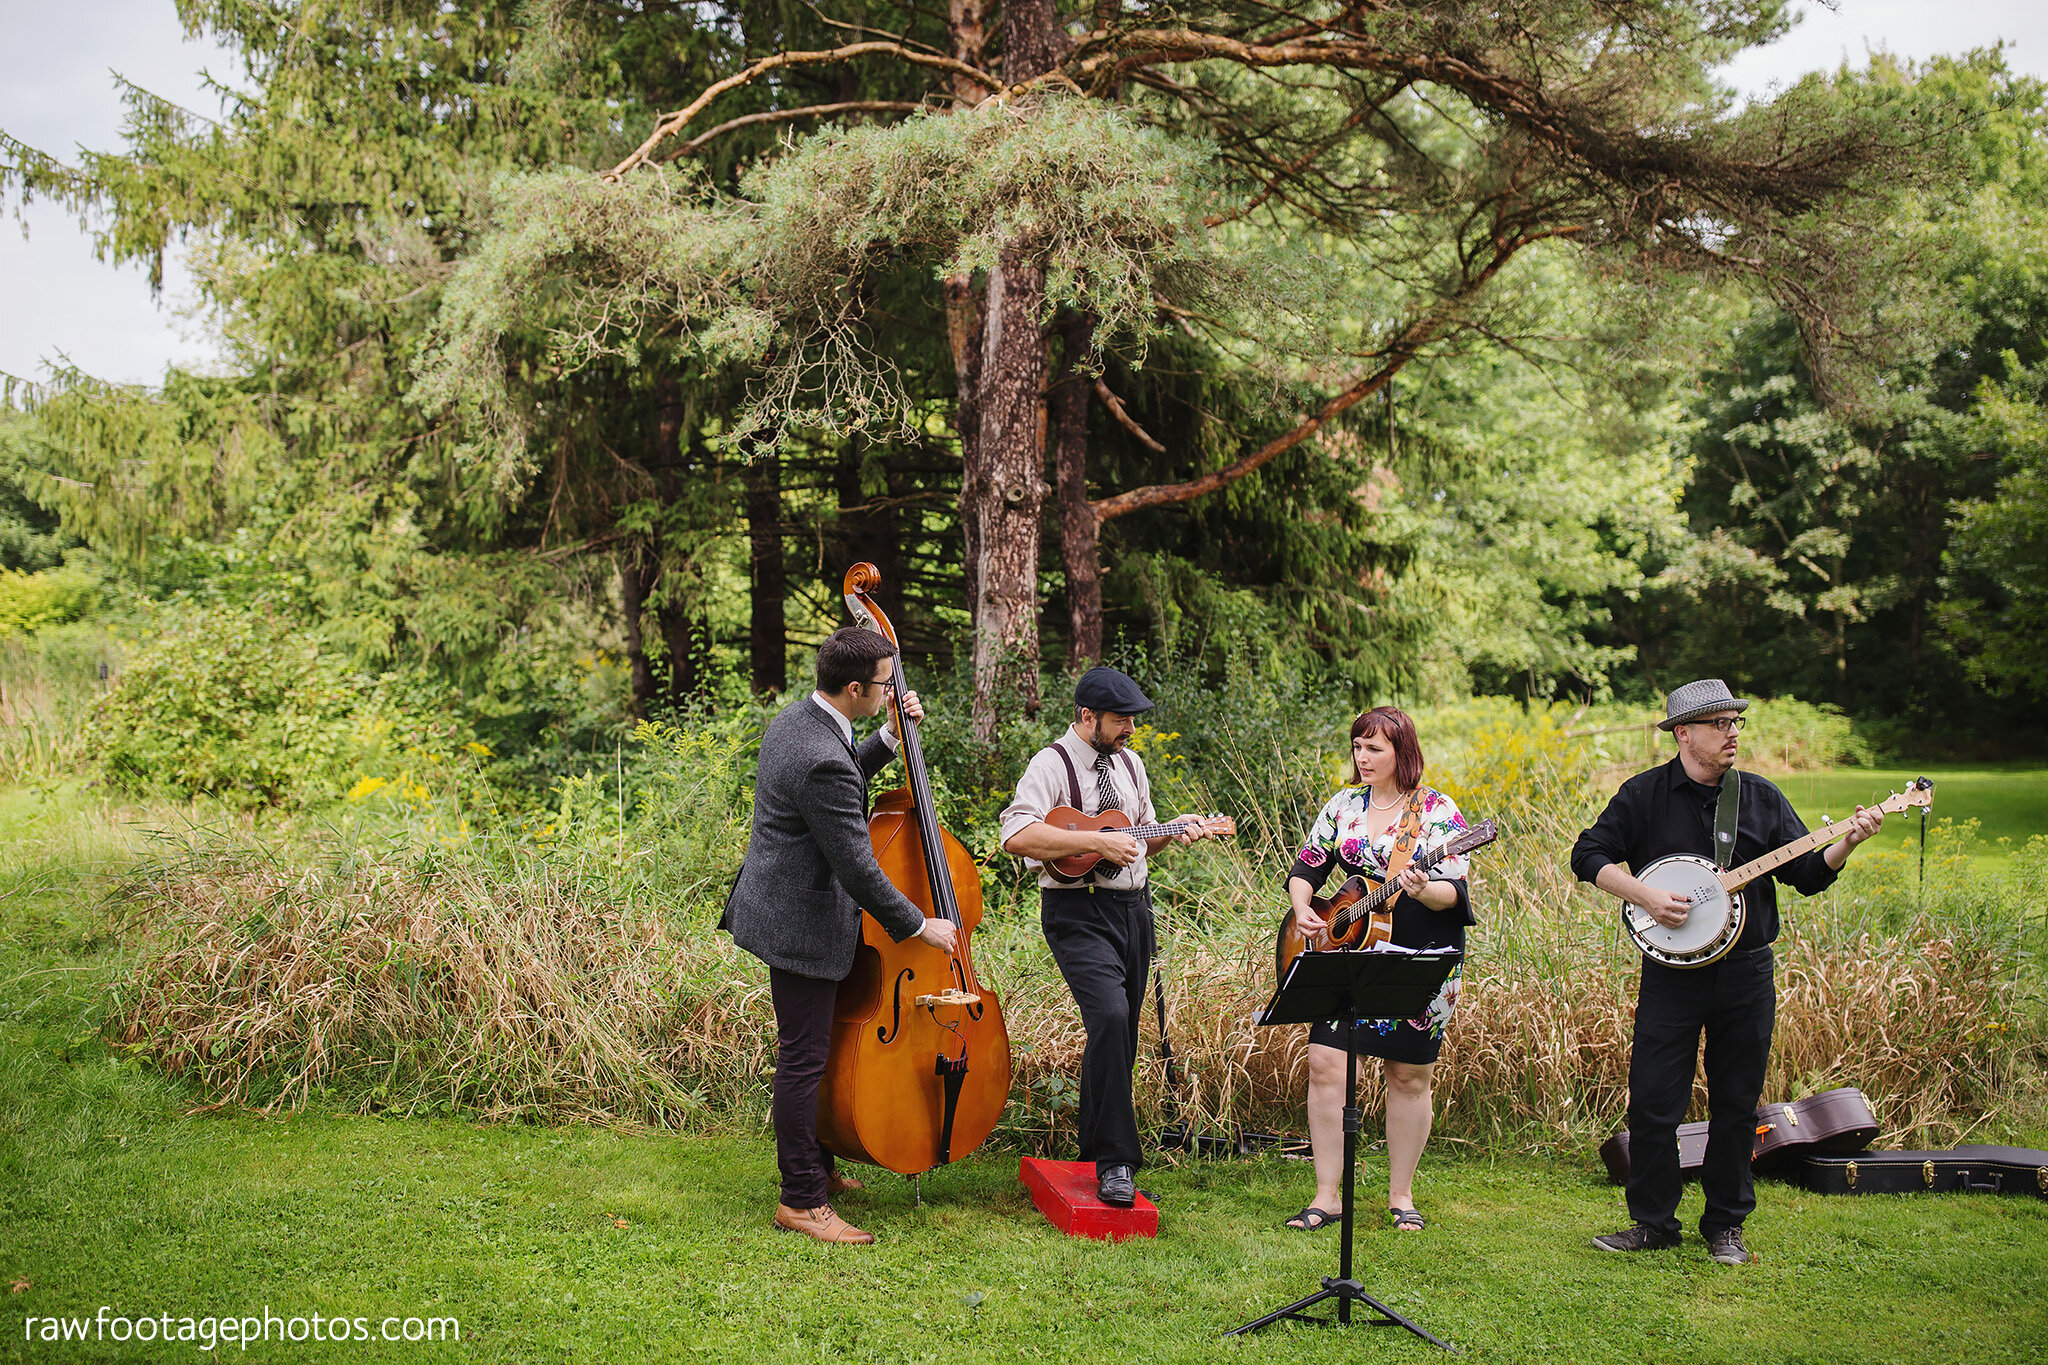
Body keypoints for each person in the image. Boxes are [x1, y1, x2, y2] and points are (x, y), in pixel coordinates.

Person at [1571, 678, 1883, 1265]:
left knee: (1737, 1104)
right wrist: (1643, 895)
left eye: (1736, 722)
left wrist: (1848, 843)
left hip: (1745, 974)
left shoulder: (1760, 798)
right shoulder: (1643, 795)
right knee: (1654, 1102)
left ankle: (1725, 1226)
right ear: (1684, 733)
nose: (1732, 732)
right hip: (1670, 977)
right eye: (1720, 724)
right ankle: (1654, 1223)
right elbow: (1586, 855)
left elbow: (1809, 874)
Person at [721, 627, 958, 1245]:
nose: (891, 690)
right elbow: (857, 865)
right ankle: (800, 1198)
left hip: (780, 904)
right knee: (803, 1058)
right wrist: (918, 924)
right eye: (884, 683)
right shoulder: (820, 754)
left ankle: (818, 1170)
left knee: (815, 1051)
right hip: (799, 922)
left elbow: (845, 776)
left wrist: (887, 738)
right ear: (854, 687)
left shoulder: (803, 719)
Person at [998, 667, 1218, 1207]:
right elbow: (1015, 833)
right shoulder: (1050, 764)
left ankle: (1093, 1148)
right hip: (1077, 913)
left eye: (1133, 720)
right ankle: (1119, 1160)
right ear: (1086, 716)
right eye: (1121, 719)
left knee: (1118, 1030)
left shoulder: (1132, 764)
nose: (1130, 730)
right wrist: (1096, 837)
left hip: (1131, 911)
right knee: (1111, 1016)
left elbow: (1138, 840)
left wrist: (1172, 832)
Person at [1281, 706, 1472, 1234]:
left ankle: (1401, 1194)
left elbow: (1453, 892)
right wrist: (1304, 909)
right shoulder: (1342, 806)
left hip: (1419, 954)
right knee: (1326, 1063)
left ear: (1402, 752)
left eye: (1375, 749)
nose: (1363, 758)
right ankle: (1327, 1197)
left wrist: (1420, 888)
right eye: (1358, 747)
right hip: (1347, 952)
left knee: (1408, 1074)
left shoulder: (1436, 811)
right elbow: (1307, 868)